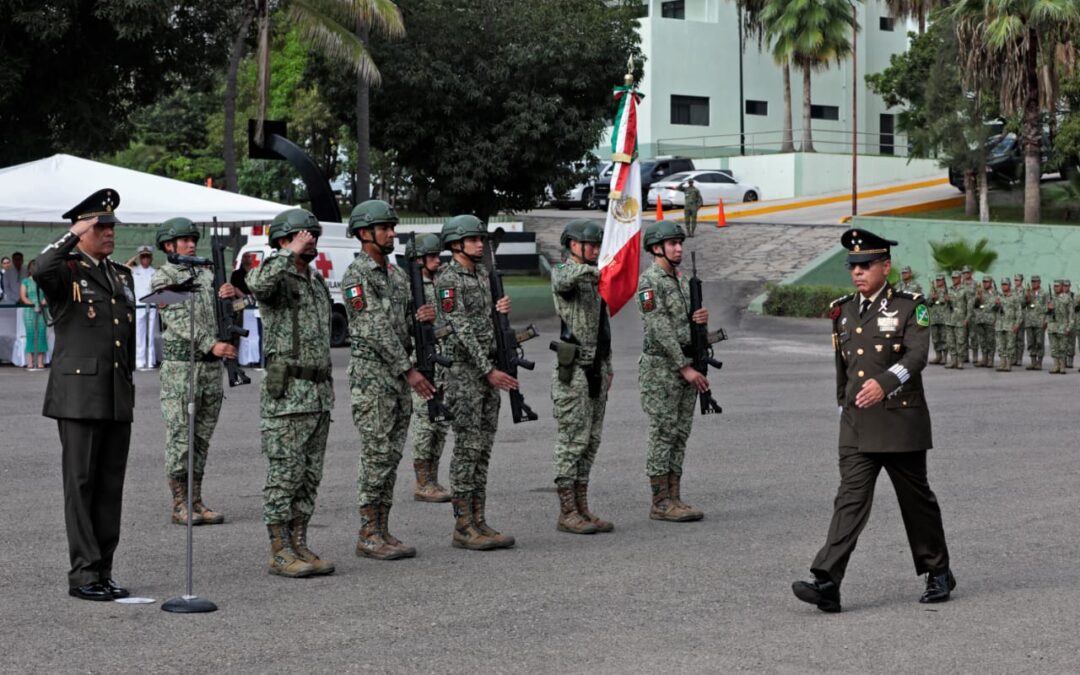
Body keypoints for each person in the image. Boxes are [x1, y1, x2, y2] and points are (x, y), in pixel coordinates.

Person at [792, 228, 954, 613]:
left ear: (885, 266)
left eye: (865, 265)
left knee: (916, 502)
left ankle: (938, 571)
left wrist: (884, 384)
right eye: (853, 266)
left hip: (900, 421)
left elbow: (916, 357)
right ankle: (827, 581)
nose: (857, 273)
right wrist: (841, 407)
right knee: (849, 499)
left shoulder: (910, 305)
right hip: (856, 422)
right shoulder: (844, 309)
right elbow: (843, 368)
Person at [36, 189, 136, 601]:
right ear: (81, 230)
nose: (109, 233)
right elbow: (42, 267)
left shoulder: (120, 275)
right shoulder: (67, 272)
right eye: (101, 226)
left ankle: (103, 570)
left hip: (115, 394)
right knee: (81, 485)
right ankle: (83, 574)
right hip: (78, 396)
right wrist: (73, 234)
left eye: (111, 226)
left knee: (110, 486)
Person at [342, 200, 436, 560]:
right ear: (365, 234)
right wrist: (408, 369)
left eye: (392, 228)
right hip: (374, 380)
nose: (392, 234)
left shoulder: (397, 276)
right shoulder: (357, 276)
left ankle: (382, 528)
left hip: (397, 379)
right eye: (385, 228)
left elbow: (406, 324)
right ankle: (368, 533)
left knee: (392, 455)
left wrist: (423, 318)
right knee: (376, 454)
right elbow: (374, 328)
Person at [247, 208, 335, 577]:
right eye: (302, 234)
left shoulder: (313, 281)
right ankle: (279, 549)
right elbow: (257, 285)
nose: (310, 239)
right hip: (288, 396)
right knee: (284, 475)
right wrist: (286, 253)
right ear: (283, 240)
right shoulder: (275, 276)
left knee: (309, 476)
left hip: (317, 393)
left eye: (313, 233)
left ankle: (300, 541)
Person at [151, 218, 243, 526]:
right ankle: (180, 502)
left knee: (202, 438)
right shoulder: (162, 278)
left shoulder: (207, 274)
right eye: (184, 240)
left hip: (209, 368)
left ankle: (196, 499)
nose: (192, 244)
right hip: (181, 369)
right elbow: (177, 318)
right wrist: (210, 343)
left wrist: (234, 296)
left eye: (193, 239)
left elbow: (229, 310)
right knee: (181, 436)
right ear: (168, 245)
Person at [435, 214, 517, 551]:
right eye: (473, 239)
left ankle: (479, 519)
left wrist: (501, 310)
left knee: (482, 450)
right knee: (467, 450)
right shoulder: (448, 279)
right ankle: (463, 525)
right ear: (456, 244)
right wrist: (487, 370)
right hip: (465, 376)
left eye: (481, 239)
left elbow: (487, 326)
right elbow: (461, 329)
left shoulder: (482, 275)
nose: (480, 244)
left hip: (487, 373)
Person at [636, 220, 709, 522]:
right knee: (662, 433)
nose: (679, 248)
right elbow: (659, 327)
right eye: (672, 244)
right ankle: (660, 501)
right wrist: (684, 367)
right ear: (656, 248)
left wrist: (700, 319)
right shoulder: (649, 282)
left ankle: (675, 496)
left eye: (680, 243)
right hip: (663, 370)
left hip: (685, 366)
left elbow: (682, 324)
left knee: (680, 434)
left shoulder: (680, 279)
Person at [550, 220, 614, 534]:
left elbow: (604, 326)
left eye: (597, 245)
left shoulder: (595, 279)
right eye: (590, 245)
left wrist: (608, 365)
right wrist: (596, 270)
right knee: (572, 441)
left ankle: (582, 506)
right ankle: (566, 512)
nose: (595, 250)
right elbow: (564, 280)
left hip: (596, 367)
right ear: (573, 245)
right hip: (572, 369)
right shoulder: (567, 271)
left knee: (591, 441)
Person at [405, 233, 453, 503]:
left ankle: (433, 477)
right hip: (423, 362)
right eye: (432, 256)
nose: (437, 260)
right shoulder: (411, 288)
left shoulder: (440, 282)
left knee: (440, 423)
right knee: (425, 423)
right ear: (418, 259)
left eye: (438, 255)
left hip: (444, 362)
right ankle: (423, 481)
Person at [126, 245, 158, 370]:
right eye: (143, 256)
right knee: (139, 335)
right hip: (139, 305)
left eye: (147, 256)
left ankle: (150, 361)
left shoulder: (155, 272)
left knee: (151, 334)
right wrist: (134, 257)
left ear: (151, 258)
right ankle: (139, 361)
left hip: (152, 305)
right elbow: (124, 267)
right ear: (140, 258)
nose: (145, 259)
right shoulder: (134, 270)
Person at [19, 258, 49, 370]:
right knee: (31, 334)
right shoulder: (25, 281)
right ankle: (30, 362)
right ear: (29, 269)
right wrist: (33, 304)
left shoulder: (43, 281)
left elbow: (47, 295)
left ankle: (40, 362)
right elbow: (23, 296)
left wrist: (42, 304)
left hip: (42, 310)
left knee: (41, 334)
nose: (34, 269)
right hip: (29, 310)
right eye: (32, 267)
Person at [993, 277, 1022, 372]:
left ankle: (1008, 364)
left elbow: (1019, 312)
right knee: (1000, 345)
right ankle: (1002, 363)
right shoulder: (998, 296)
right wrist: (996, 304)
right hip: (999, 325)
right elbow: (992, 310)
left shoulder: (1015, 297)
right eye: (1002, 284)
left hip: (1010, 325)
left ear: (1009, 285)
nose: (1003, 286)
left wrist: (1017, 324)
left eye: (1005, 284)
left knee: (1010, 345)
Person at [1022, 275, 1049, 370]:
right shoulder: (1028, 292)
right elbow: (1022, 305)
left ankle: (1039, 362)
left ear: (1039, 282)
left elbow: (1048, 307)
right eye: (1032, 282)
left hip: (1040, 321)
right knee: (1030, 342)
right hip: (1029, 321)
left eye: (1036, 281)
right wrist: (1026, 298)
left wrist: (1046, 320)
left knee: (1039, 342)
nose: (1034, 283)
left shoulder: (1044, 293)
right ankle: (1033, 362)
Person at [943, 270, 969, 370]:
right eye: (953, 278)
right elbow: (944, 305)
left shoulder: (965, 290)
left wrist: (967, 319)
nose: (954, 279)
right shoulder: (949, 290)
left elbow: (969, 306)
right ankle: (953, 360)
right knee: (950, 341)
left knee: (960, 341)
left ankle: (960, 361)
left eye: (955, 278)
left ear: (960, 278)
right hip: (950, 319)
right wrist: (946, 301)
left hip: (960, 320)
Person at [1047, 279, 1073, 374]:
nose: (1055, 288)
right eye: (1054, 286)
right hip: (1052, 327)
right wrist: (1049, 309)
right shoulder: (1051, 298)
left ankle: (1062, 366)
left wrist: (1069, 327)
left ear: (1062, 287)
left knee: (1063, 348)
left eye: (1057, 286)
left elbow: (1071, 314)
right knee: (1054, 347)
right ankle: (1056, 365)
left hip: (1063, 327)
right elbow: (1046, 313)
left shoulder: (1067, 298)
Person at [971, 275, 997, 368]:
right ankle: (984, 359)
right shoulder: (979, 292)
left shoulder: (995, 293)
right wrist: (977, 299)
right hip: (980, 320)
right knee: (982, 340)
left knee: (990, 340)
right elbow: (975, 305)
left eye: (986, 282)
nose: (985, 283)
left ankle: (990, 360)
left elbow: (995, 306)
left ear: (991, 283)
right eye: (984, 282)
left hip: (990, 320)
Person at [927, 274, 949, 365]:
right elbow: (927, 303)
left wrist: (947, 300)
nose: (938, 281)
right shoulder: (933, 291)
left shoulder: (947, 291)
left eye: (940, 280)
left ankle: (944, 357)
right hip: (934, 318)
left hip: (944, 318)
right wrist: (932, 299)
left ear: (943, 280)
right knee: (935, 338)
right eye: (937, 280)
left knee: (944, 338)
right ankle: (938, 356)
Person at [1012, 274, 1027, 366]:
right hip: (1012, 317)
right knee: (1012, 338)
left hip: (1021, 316)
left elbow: (1024, 303)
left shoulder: (1025, 291)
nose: (1016, 281)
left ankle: (1019, 358)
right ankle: (1013, 358)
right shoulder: (1012, 291)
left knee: (1020, 339)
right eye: (1015, 280)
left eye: (1018, 280)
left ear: (1021, 281)